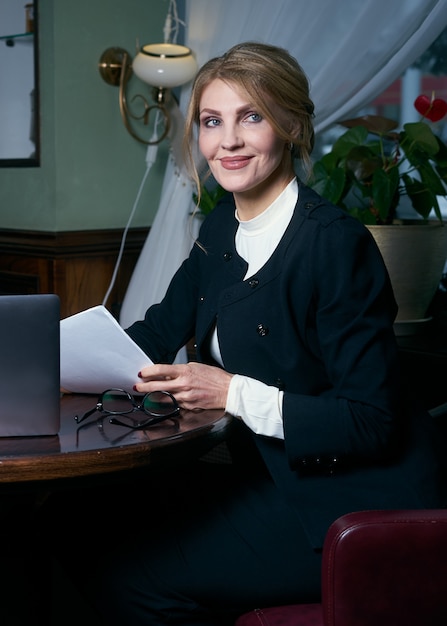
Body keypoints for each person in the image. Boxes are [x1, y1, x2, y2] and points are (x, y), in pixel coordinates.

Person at [52, 42, 444, 625]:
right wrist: (45, 358)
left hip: (347, 504)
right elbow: (155, 332)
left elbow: (370, 421)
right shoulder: (219, 226)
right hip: (261, 473)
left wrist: (230, 391)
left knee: (130, 577)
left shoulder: (335, 244)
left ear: (291, 124)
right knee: (63, 523)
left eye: (251, 117)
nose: (227, 141)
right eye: (212, 122)